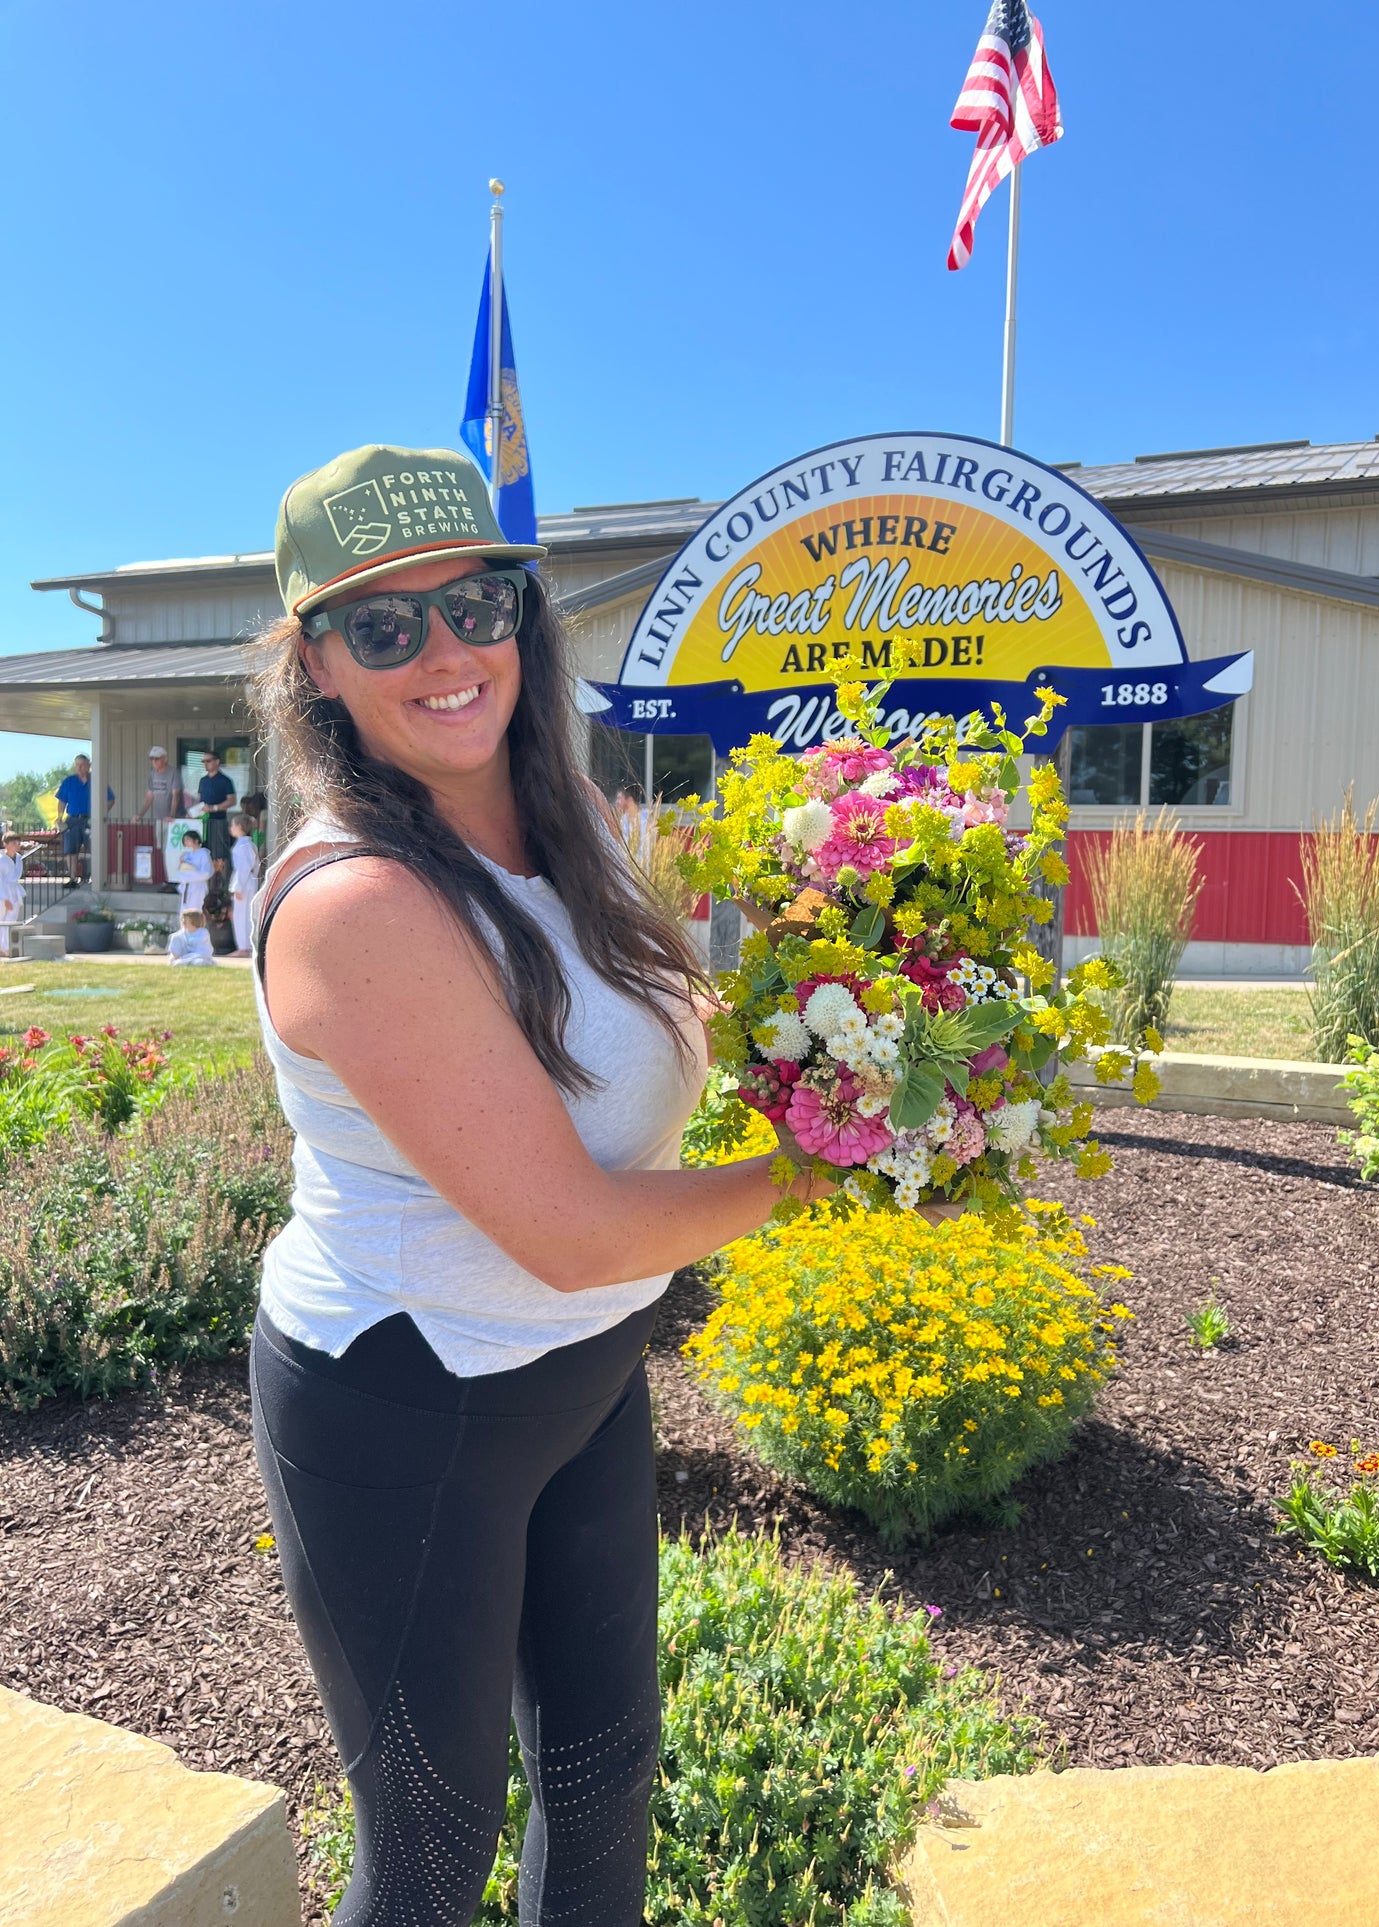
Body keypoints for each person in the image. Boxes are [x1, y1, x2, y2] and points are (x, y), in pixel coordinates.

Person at [247, 443, 831, 1927]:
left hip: (580, 1365)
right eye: (384, 624)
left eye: (477, 601)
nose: (447, 651)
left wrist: (857, 1012)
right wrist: (835, 1169)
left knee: (605, 1778)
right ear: (317, 658)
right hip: (407, 1394)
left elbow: (670, 1030)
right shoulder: (361, 902)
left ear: (526, 610)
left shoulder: (562, 806)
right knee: (432, 1860)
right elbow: (567, 1229)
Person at [54, 754, 114, 885]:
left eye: (82, 764)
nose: (80, 767)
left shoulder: (97, 780)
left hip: (91, 820)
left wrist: (100, 813)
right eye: (77, 765)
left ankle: (96, 878)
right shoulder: (69, 781)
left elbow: (110, 799)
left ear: (89, 765)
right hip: (73, 820)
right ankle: (72, 878)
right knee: (71, 850)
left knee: (95, 849)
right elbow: (62, 801)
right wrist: (59, 817)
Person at [228, 813, 260, 957]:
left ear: (239, 827)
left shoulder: (243, 846)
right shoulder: (249, 844)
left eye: (233, 825)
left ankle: (243, 947)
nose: (231, 828)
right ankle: (246, 946)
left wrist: (238, 887)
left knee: (241, 915)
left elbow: (243, 869)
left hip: (245, 882)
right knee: (247, 914)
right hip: (250, 881)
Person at [197, 751, 237, 866]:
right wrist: (193, 811)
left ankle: (221, 881)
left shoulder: (225, 780)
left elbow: (232, 800)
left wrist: (214, 808)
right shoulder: (203, 781)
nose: (205, 764)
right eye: (203, 761)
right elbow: (199, 800)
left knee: (219, 854)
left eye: (208, 761)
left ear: (217, 762)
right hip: (203, 822)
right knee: (204, 850)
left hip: (219, 821)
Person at [0, 830, 30, 956]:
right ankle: (2, 948)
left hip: (14, 891)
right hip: (3, 892)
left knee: (11, 920)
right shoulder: (1, 859)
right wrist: (4, 898)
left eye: (18, 843)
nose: (17, 845)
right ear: (5, 844)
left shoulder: (19, 858)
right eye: (14, 843)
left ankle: (5, 948)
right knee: (2, 920)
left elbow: (16, 876)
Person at [138, 745, 182, 824]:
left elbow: (176, 796)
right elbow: (149, 797)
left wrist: (171, 816)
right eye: (151, 758)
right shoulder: (152, 774)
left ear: (165, 759)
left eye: (157, 758)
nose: (153, 761)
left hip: (174, 820)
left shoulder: (174, 773)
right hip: (158, 819)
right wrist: (140, 815)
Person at [175, 827, 212, 914]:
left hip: (197, 887)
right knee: (184, 912)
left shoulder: (204, 854)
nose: (186, 842)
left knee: (195, 911)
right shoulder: (186, 855)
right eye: (185, 840)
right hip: (187, 887)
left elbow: (206, 873)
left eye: (188, 839)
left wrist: (190, 874)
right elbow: (180, 871)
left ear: (196, 840)